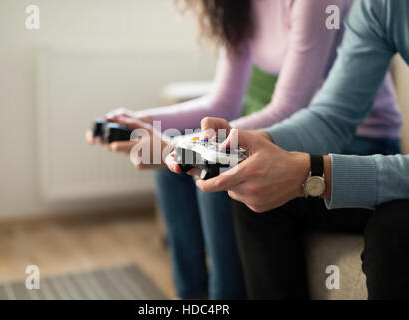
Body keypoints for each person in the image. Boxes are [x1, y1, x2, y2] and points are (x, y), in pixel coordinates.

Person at [87, 0, 402, 299]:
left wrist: (182, 144)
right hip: (318, 128)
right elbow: (223, 101)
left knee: (219, 173)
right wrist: (147, 122)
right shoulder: (239, 6)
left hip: (364, 141)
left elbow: (290, 106)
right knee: (178, 169)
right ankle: (193, 296)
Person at [180, 0, 409, 299]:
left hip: (373, 146)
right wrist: (258, 142)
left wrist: (315, 172)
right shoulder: (380, 7)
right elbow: (331, 116)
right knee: (253, 193)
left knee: (394, 230)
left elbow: (289, 107)